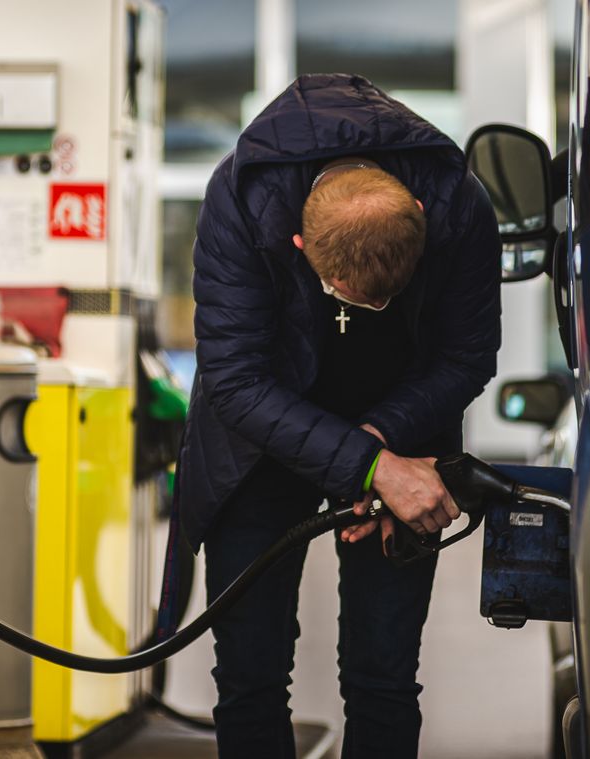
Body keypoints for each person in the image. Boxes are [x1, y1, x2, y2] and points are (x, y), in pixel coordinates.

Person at [174, 73, 503, 758]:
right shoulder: (240, 200)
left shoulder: (461, 207)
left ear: (420, 213)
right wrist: (369, 466)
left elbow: (466, 355)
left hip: (407, 440)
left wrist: (383, 454)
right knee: (251, 676)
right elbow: (236, 383)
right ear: (298, 246)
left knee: (383, 675)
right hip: (257, 445)